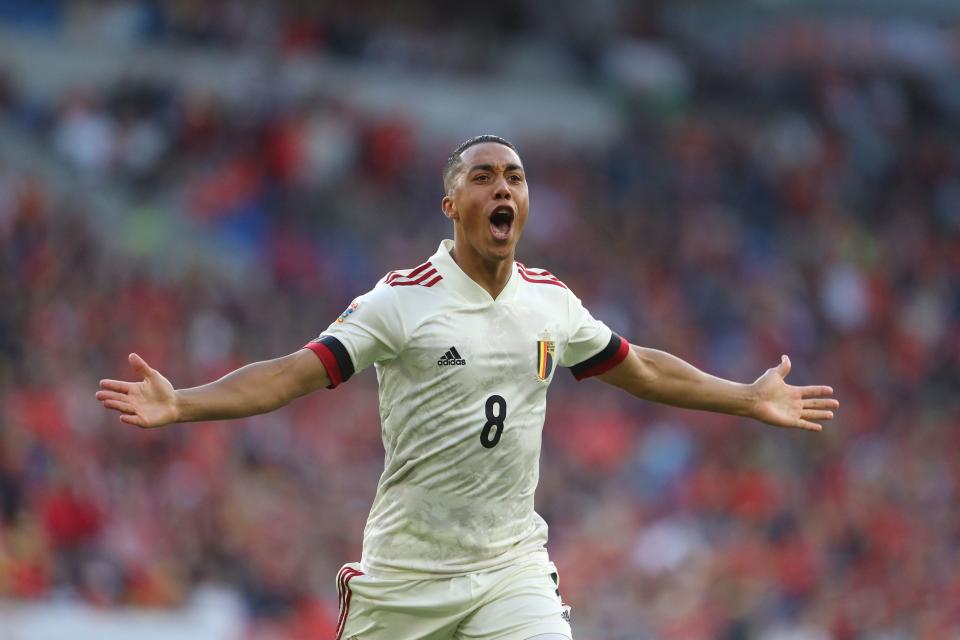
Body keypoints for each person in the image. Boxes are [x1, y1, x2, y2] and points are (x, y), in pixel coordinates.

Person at [96, 134, 839, 640]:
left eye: (514, 176)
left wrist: (745, 396)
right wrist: (185, 402)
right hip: (408, 573)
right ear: (453, 207)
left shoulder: (551, 301)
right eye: (482, 176)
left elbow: (639, 367)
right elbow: (293, 373)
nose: (502, 186)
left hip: (509, 563)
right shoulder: (401, 299)